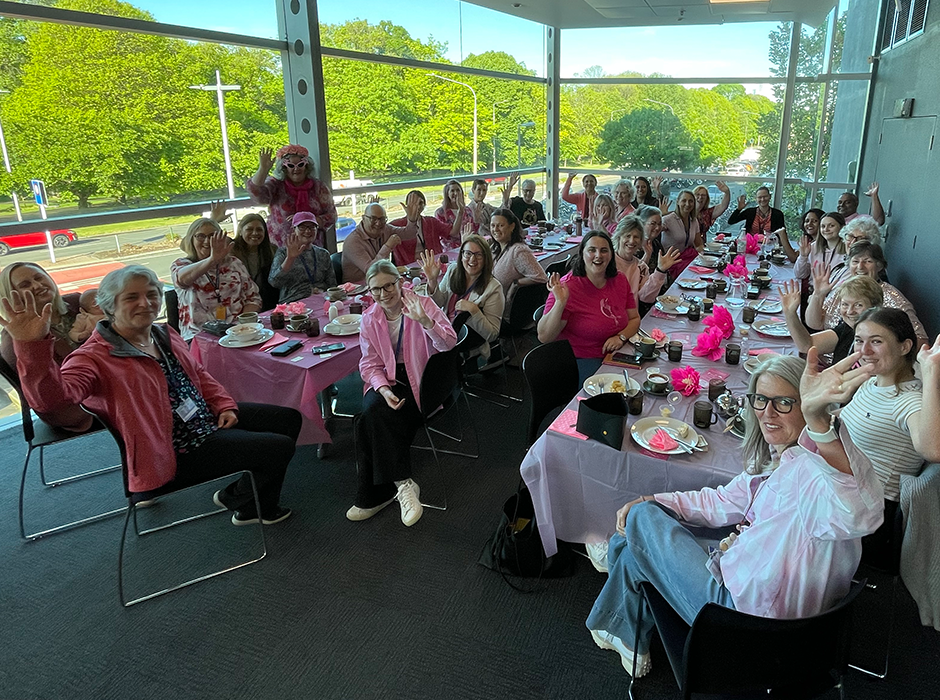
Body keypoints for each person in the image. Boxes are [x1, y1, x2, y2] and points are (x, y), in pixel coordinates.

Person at [586, 353, 883, 677]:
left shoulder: (817, 476)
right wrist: (654, 497)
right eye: (760, 400)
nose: (767, 413)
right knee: (640, 537)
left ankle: (616, 555)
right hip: (754, 601)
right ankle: (624, 630)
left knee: (642, 519)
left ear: (810, 405)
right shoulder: (790, 461)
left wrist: (820, 424)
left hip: (746, 625)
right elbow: (721, 500)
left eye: (784, 402)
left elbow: (862, 514)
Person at [0, 265, 299, 525]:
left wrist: (223, 404)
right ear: (109, 307)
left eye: (152, 294)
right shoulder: (93, 357)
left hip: (203, 420)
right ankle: (252, 510)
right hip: (170, 447)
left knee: (288, 419)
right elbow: (55, 401)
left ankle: (238, 494)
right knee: (277, 447)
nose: (145, 303)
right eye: (131, 297)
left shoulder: (162, 334)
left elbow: (199, 375)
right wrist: (31, 346)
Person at [348, 260, 458, 527]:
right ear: (369, 292)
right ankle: (402, 483)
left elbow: (450, 343)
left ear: (399, 282)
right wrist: (383, 389)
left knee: (369, 419)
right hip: (389, 379)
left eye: (389, 285)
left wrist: (426, 321)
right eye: (376, 289)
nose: (384, 294)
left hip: (425, 381)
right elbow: (369, 364)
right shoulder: (370, 317)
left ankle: (374, 495)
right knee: (373, 412)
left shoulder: (422, 304)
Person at [840, 308, 939, 568]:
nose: (864, 351)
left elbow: (932, 449)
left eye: (876, 341)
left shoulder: (910, 401)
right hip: (844, 494)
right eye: (860, 341)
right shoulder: (873, 381)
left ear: (905, 346)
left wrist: (930, 375)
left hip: (866, 516)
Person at [537, 230, 641, 382]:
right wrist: (560, 303)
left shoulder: (619, 279)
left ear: (611, 255)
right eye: (592, 250)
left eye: (604, 250)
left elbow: (635, 318)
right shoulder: (567, 287)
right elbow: (544, 337)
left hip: (618, 352)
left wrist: (621, 337)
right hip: (582, 359)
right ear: (582, 254)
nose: (598, 255)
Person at [0, 263, 93, 431]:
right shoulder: (14, 339)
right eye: (25, 285)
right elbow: (47, 393)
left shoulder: (76, 302)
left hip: (100, 383)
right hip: (68, 404)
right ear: (12, 296)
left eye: (38, 277)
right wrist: (30, 344)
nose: (36, 285)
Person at [805, 242, 928, 347]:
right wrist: (817, 295)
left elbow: (921, 341)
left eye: (868, 261)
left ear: (879, 266)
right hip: (827, 358)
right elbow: (815, 324)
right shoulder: (845, 289)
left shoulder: (892, 297)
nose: (860, 267)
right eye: (855, 261)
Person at [170, 218, 261, 341]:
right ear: (192, 239)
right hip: (199, 337)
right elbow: (182, 279)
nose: (207, 241)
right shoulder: (182, 265)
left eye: (213, 236)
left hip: (237, 333)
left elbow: (253, 298)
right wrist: (212, 260)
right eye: (201, 236)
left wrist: (241, 326)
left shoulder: (233, 263)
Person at [422, 235, 505, 362]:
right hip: (443, 328)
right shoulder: (452, 270)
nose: (472, 259)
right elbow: (439, 303)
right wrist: (432, 281)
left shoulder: (493, 288)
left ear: (486, 259)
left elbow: (492, 334)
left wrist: (474, 311)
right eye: (468, 254)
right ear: (461, 255)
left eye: (479, 255)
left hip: (466, 339)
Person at [246, 145, 337, 247]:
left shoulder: (319, 187)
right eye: (291, 166)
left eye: (301, 164)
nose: (296, 169)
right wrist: (263, 169)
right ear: (284, 168)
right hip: (279, 246)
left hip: (311, 247)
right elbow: (256, 193)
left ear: (307, 167)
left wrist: (307, 220)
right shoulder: (276, 184)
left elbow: (332, 216)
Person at [780, 276, 883, 366]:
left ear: (874, 307)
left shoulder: (879, 341)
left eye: (858, 305)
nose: (850, 311)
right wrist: (790, 314)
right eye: (845, 304)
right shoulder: (847, 328)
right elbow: (807, 345)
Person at [342, 201, 423, 285]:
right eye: (373, 218)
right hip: (357, 289)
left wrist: (412, 219)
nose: (378, 223)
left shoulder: (385, 229)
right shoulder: (353, 242)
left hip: (380, 283)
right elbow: (371, 270)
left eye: (382, 219)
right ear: (363, 218)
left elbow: (408, 234)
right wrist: (388, 246)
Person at [612, 215, 678, 311]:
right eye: (627, 236)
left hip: (631, 318)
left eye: (636, 237)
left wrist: (660, 271)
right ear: (619, 237)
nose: (631, 241)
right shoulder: (608, 262)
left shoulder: (641, 267)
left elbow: (645, 297)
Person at [489, 208, 547, 317]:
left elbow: (541, 277)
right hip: (489, 304)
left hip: (501, 313)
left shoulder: (518, 251)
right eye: (493, 226)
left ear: (512, 226)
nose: (495, 229)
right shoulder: (494, 248)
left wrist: (516, 283)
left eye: (501, 225)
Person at [387, 191, 465, 271]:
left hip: (433, 265)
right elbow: (380, 232)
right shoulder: (396, 225)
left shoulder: (431, 222)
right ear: (407, 206)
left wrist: (460, 212)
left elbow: (453, 232)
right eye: (413, 203)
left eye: (420, 203)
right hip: (408, 269)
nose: (417, 206)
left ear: (424, 205)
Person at [269, 212, 336, 303]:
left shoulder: (323, 254)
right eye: (302, 227)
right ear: (294, 230)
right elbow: (274, 282)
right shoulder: (284, 252)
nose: (308, 231)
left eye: (312, 227)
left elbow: (332, 285)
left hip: (321, 300)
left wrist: (323, 294)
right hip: (293, 303)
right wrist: (290, 259)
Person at [230, 213, 279, 311]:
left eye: (259, 229)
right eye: (249, 229)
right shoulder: (231, 250)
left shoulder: (272, 250)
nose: (255, 233)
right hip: (240, 303)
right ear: (240, 231)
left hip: (268, 303)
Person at [659, 189, 704, 275]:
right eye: (684, 200)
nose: (687, 204)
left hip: (687, 259)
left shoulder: (694, 221)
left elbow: (699, 244)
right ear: (678, 202)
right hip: (672, 261)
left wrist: (705, 258)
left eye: (691, 201)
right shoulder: (668, 219)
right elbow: (653, 230)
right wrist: (661, 216)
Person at [794, 211, 846, 284]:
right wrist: (803, 256)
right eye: (823, 226)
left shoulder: (848, 250)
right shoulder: (813, 247)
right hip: (813, 291)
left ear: (842, 227)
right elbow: (800, 275)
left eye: (831, 226)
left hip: (834, 293)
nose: (826, 229)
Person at [434, 180, 473, 245]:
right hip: (449, 248)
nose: (456, 193)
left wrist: (477, 219)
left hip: (467, 244)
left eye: (458, 190)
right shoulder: (440, 213)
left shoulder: (468, 210)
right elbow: (452, 234)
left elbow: (473, 230)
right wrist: (460, 212)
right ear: (447, 193)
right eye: (452, 191)